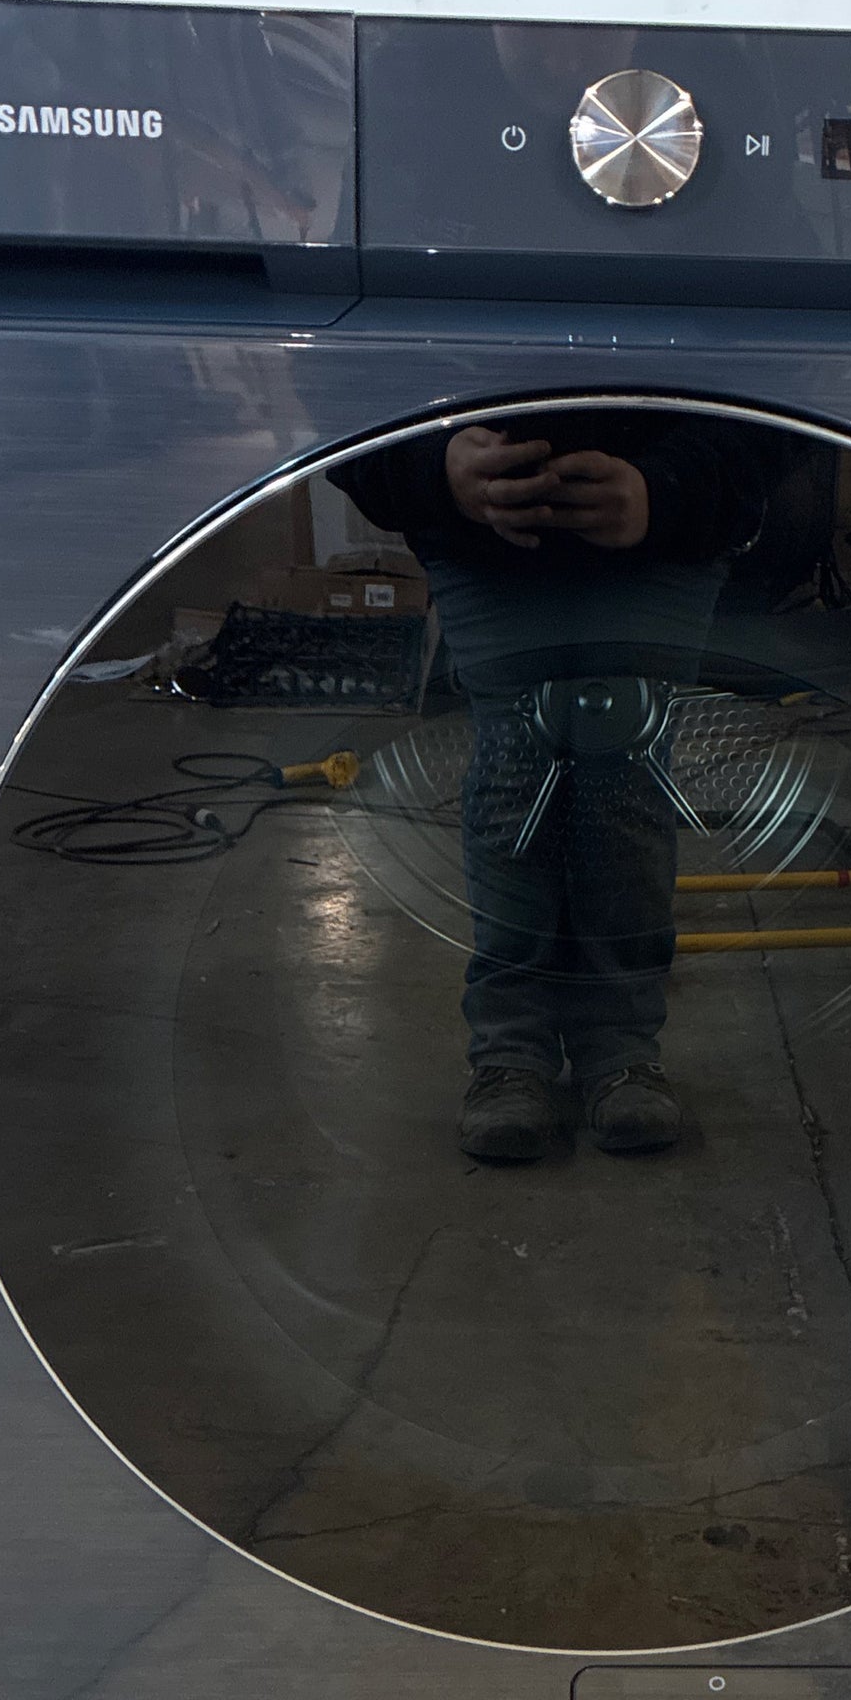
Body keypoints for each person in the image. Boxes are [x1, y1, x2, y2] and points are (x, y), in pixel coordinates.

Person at [340, 409, 764, 1163]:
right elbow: (341, 394)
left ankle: (617, 1047)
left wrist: (669, 489)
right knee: (519, 778)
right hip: (487, 539)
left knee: (621, 785)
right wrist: (433, 467)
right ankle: (515, 1053)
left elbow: (786, 399)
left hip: (663, 530)